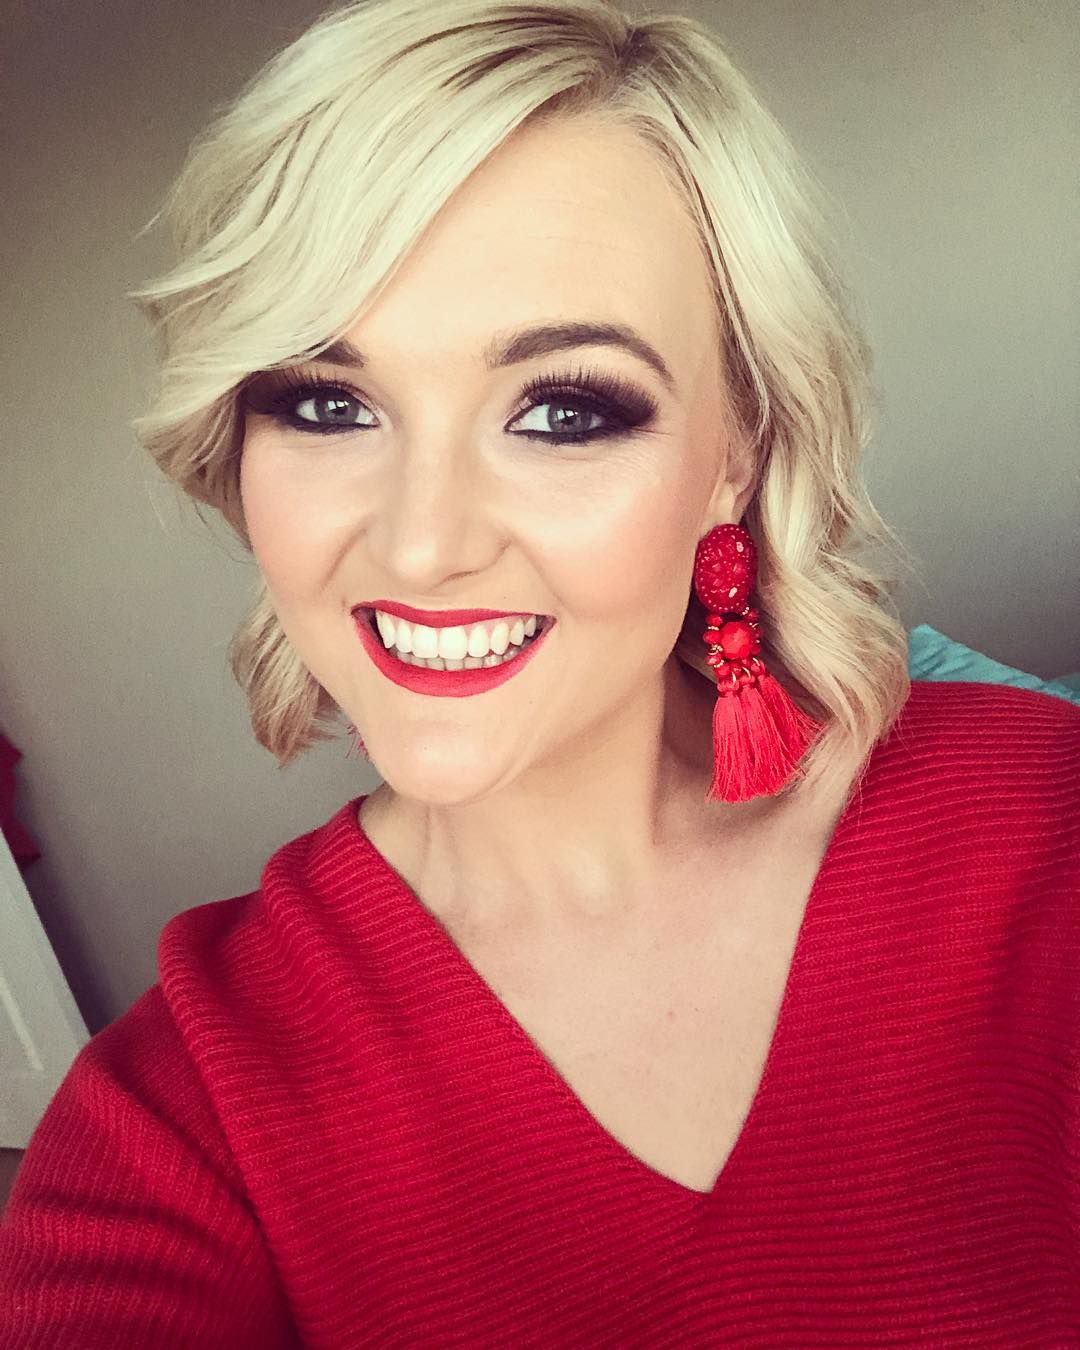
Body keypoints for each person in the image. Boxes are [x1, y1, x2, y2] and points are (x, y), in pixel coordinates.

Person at [1, 0, 1077, 1344]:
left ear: (735, 454)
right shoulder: (175, 1122)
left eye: (563, 409)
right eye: (328, 402)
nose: (422, 543)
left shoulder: (1043, 821)